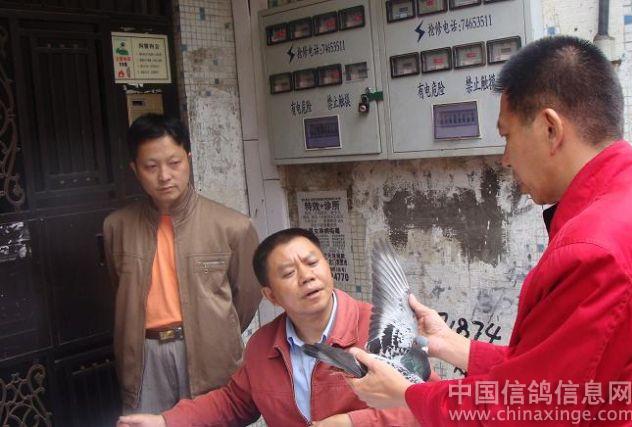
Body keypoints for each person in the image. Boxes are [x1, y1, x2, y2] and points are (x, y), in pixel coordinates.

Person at [347, 36, 632, 425]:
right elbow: (561, 373)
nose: (505, 159)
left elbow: (527, 410)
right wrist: (454, 346)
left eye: (507, 136)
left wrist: (405, 394)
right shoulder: (625, 205)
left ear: (550, 129)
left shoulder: (594, 251)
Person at [116, 228, 419, 426]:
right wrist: (166, 422)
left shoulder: (380, 330)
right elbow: (234, 402)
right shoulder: (263, 345)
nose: (306, 276)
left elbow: (424, 405)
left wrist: (351, 423)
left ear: (328, 267)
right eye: (288, 273)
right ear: (271, 295)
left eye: (312, 263)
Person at [103, 114, 262, 413]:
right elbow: (119, 289)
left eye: (174, 163)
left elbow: (247, 298)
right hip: (146, 355)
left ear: (188, 159)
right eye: (151, 166)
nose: (164, 176)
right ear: (135, 169)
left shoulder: (233, 226)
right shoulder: (117, 227)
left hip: (209, 353)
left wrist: (213, 328)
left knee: (213, 418)